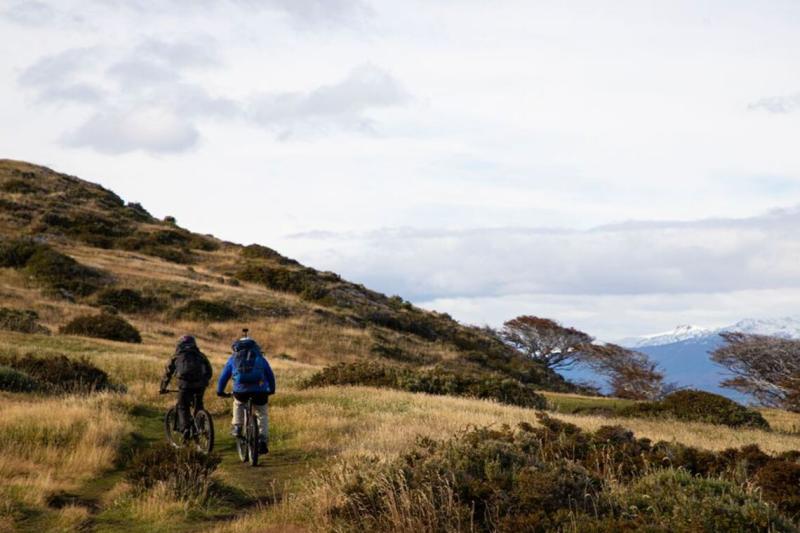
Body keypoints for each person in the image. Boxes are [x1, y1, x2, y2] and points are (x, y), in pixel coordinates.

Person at [216, 330, 275, 454]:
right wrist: (271, 389)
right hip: (260, 392)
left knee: (238, 403)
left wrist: (220, 391)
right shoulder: (260, 357)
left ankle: (237, 426)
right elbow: (270, 375)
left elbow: (224, 376)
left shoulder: (234, 358)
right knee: (262, 414)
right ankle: (262, 440)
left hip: (240, 391)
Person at [160, 335, 213, 441]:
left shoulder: (177, 356)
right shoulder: (200, 355)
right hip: (200, 385)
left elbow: (168, 373)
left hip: (185, 385)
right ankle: (201, 426)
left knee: (182, 406)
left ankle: (185, 430)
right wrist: (204, 382)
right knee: (199, 405)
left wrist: (163, 387)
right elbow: (209, 371)